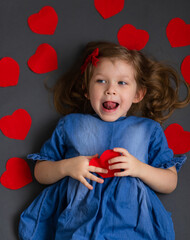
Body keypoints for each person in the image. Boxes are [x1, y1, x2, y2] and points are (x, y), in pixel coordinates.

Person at [19, 41, 190, 240]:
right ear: (86, 89)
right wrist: (66, 167)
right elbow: (40, 172)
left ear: (138, 94)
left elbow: (170, 182)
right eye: (101, 81)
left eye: (122, 83)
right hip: (79, 221)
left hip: (130, 225)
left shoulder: (147, 129)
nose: (110, 90)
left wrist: (139, 168)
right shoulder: (71, 124)